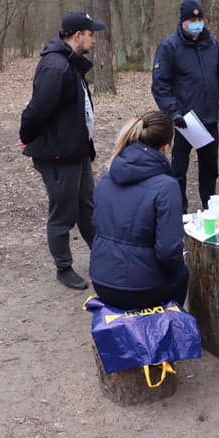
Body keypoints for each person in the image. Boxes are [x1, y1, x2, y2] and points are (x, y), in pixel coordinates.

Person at [20, 12, 105, 289]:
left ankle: (105, 257)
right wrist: (27, 136)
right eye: (92, 34)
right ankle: (64, 267)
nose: (95, 38)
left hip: (77, 151)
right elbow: (37, 110)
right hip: (58, 155)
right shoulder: (56, 67)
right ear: (78, 36)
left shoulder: (72, 63)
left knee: (88, 208)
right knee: (63, 214)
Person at [89, 111, 188, 310]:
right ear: (166, 148)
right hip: (144, 288)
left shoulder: (107, 178)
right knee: (183, 273)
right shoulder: (166, 187)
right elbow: (169, 252)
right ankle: (166, 324)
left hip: (101, 280)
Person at [151, 0, 219, 211]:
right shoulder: (169, 47)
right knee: (178, 171)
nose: (197, 23)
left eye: (200, 19)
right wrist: (173, 112)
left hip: (209, 118)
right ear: (183, 22)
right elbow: (160, 85)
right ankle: (179, 212)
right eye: (192, 20)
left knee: (209, 170)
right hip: (183, 121)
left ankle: (209, 208)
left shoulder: (212, 44)